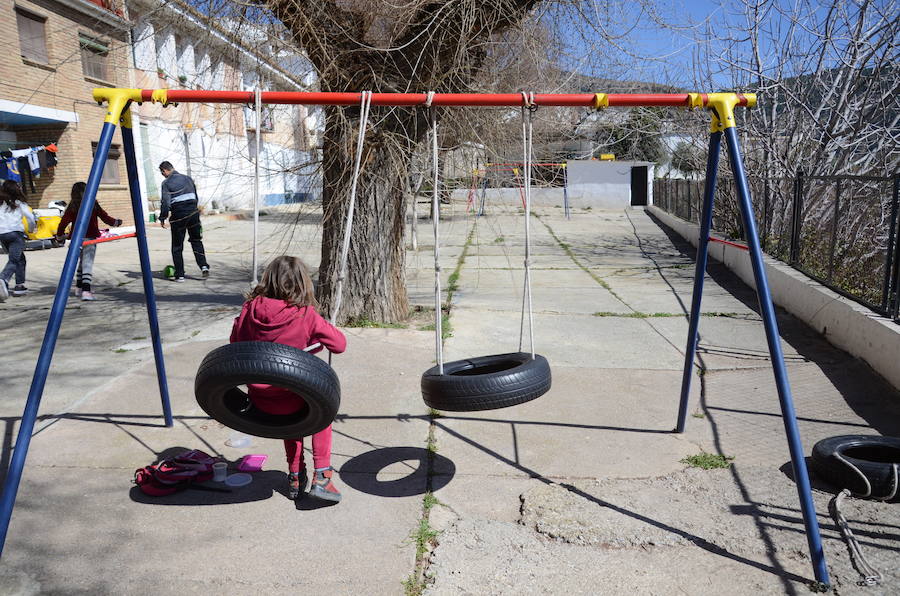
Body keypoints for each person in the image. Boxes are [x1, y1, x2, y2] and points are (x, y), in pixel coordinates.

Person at [230, 256, 346, 502]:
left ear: (268, 279)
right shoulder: (304, 314)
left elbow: (235, 344)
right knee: (321, 409)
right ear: (302, 283)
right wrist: (312, 343)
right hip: (294, 398)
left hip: (261, 400)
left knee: (291, 423)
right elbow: (339, 345)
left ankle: (295, 475)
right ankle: (322, 475)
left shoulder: (249, 309)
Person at [56, 182, 123, 301]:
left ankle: (79, 287)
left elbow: (63, 222)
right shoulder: (92, 203)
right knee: (87, 263)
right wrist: (116, 222)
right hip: (89, 237)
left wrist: (60, 236)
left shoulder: (73, 205)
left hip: (76, 239)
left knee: (82, 262)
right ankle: (86, 291)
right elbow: (104, 217)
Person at [158, 161, 209, 282]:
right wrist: (194, 210)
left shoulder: (166, 183)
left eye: (162, 172)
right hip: (193, 212)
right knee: (196, 240)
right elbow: (195, 196)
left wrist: (162, 217)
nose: (163, 175)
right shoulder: (188, 179)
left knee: (177, 246)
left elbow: (166, 202)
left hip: (179, 215)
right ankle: (203, 266)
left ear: (164, 171)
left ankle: (180, 275)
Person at [0, 180, 35, 301]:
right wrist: (31, 229)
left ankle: (19, 286)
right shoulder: (19, 203)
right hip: (16, 234)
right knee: (14, 260)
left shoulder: (0, 204)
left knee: (20, 258)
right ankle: (3, 278)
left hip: (2, 235)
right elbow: (30, 217)